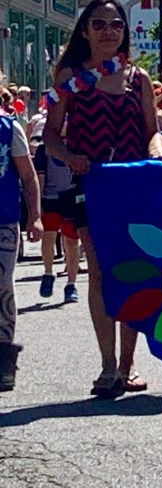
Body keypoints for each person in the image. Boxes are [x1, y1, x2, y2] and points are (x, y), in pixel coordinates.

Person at [43, 0, 162, 398]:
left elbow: (152, 130)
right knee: (98, 269)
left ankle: (129, 366)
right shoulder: (70, 76)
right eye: (99, 24)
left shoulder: (138, 79)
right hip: (91, 184)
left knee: (132, 269)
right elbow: (50, 135)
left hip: (133, 185)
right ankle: (107, 365)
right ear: (85, 30)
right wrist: (70, 157)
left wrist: (157, 152)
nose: (108, 32)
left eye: (116, 25)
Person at [0, 114, 43, 390]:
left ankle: (4, 355)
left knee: (2, 285)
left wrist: (35, 216)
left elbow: (27, 176)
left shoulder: (8, 128)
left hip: (3, 221)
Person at [34, 133, 80, 303]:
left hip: (72, 198)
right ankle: (48, 272)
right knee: (48, 238)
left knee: (71, 241)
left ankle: (71, 284)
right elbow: (39, 177)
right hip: (51, 198)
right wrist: (37, 205)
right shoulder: (44, 149)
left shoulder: (78, 146)